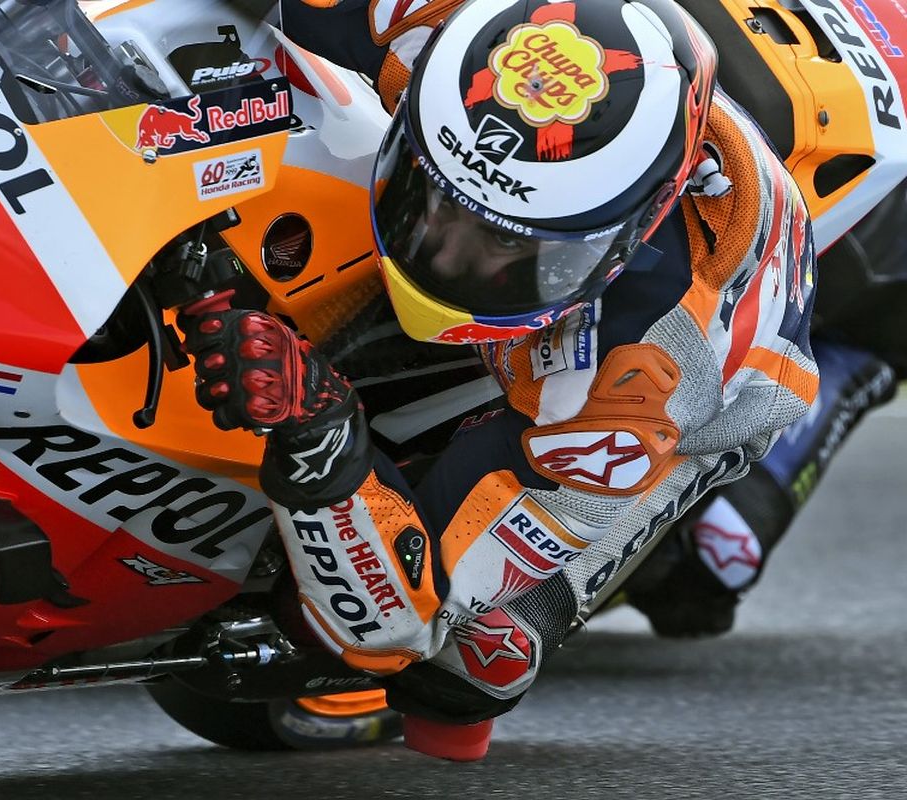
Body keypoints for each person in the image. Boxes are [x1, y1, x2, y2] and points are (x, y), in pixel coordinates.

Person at [180, 0, 825, 760]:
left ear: (622, 241)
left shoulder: (643, 375)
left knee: (466, 670)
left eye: (504, 246)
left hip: (714, 374)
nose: (448, 260)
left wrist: (319, 430)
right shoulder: (447, 29)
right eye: (435, 203)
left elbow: (396, 623)